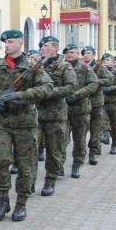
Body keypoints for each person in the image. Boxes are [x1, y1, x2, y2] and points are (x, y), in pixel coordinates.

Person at [0, 30, 53, 222]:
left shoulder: (33, 67)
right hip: (2, 122)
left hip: (25, 124)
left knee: (25, 166)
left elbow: (47, 88)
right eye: (5, 42)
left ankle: (21, 203)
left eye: (11, 42)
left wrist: (20, 95)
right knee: (2, 162)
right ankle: (3, 200)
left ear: (21, 43)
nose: (7, 45)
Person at [34, 36, 76, 196]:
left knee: (54, 150)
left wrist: (50, 92)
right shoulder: (37, 65)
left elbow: (71, 87)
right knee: (31, 149)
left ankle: (50, 181)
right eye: (41, 46)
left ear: (55, 48)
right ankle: (29, 182)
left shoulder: (64, 66)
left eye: (45, 46)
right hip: (36, 113)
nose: (42, 48)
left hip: (55, 114)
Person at [63, 44, 98, 178]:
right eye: (67, 52)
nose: (69, 54)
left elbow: (94, 84)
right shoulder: (60, 68)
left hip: (80, 109)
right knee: (61, 139)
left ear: (78, 54)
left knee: (79, 139)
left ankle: (76, 164)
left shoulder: (85, 68)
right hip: (63, 110)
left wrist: (77, 94)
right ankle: (59, 165)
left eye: (72, 52)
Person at [81, 46, 113, 165]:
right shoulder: (81, 67)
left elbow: (110, 79)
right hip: (83, 102)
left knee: (95, 129)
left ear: (94, 55)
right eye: (84, 53)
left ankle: (93, 152)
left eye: (88, 53)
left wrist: (96, 82)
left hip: (96, 103)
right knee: (82, 130)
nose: (86, 55)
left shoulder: (100, 68)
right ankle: (80, 154)